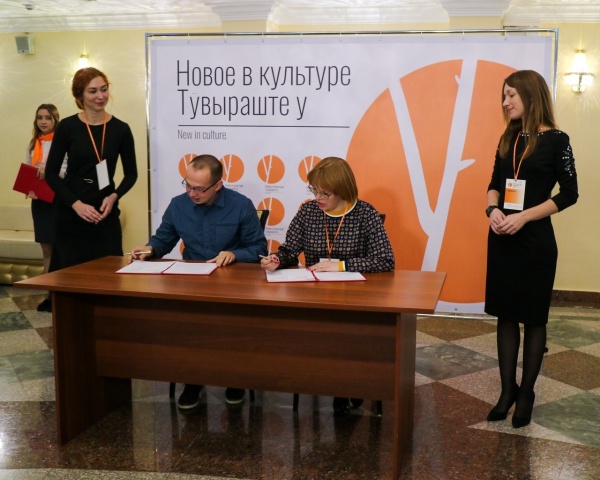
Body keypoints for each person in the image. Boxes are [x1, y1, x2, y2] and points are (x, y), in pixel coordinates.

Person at [129, 154, 268, 409]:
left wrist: (234, 254)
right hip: (192, 280)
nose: (192, 193)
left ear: (218, 185)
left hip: (231, 282)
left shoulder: (241, 205)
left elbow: (259, 248)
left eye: (200, 189)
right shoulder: (178, 205)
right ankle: (193, 380)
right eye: (188, 185)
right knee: (187, 324)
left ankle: (234, 379)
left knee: (231, 325)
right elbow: (163, 240)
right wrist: (149, 249)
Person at [260, 156, 395, 415]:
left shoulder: (365, 214)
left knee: (346, 332)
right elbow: (289, 250)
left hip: (355, 299)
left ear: (343, 190)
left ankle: (345, 384)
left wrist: (342, 265)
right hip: (316, 295)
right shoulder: (308, 212)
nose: (318, 198)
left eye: (325, 193)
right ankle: (330, 380)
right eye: (314, 190)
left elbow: (385, 260)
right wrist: (276, 259)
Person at [485, 70, 578, 428]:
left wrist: (524, 217)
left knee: (534, 318)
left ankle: (526, 394)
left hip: (535, 240)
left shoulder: (557, 140)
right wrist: (492, 210)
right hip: (502, 238)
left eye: (511, 95)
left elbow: (569, 194)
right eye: (504, 96)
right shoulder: (508, 137)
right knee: (506, 314)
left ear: (530, 95)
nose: (505, 102)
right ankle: (507, 390)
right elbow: (494, 184)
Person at [45, 67, 138, 272]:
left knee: (109, 272)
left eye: (104, 89)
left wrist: (114, 196)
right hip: (71, 211)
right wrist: (76, 205)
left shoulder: (121, 129)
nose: (100, 96)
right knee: (70, 274)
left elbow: (132, 174)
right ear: (80, 96)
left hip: (104, 211)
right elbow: (51, 174)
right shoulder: (67, 127)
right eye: (93, 91)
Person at [24, 104, 67, 312]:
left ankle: (63, 292)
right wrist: (29, 187)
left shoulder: (62, 141)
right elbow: (28, 169)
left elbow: (67, 170)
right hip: (40, 200)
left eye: (48, 118)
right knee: (46, 248)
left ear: (55, 120)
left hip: (59, 198)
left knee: (60, 247)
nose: (43, 121)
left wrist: (48, 170)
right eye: (40, 117)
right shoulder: (34, 143)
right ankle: (50, 294)